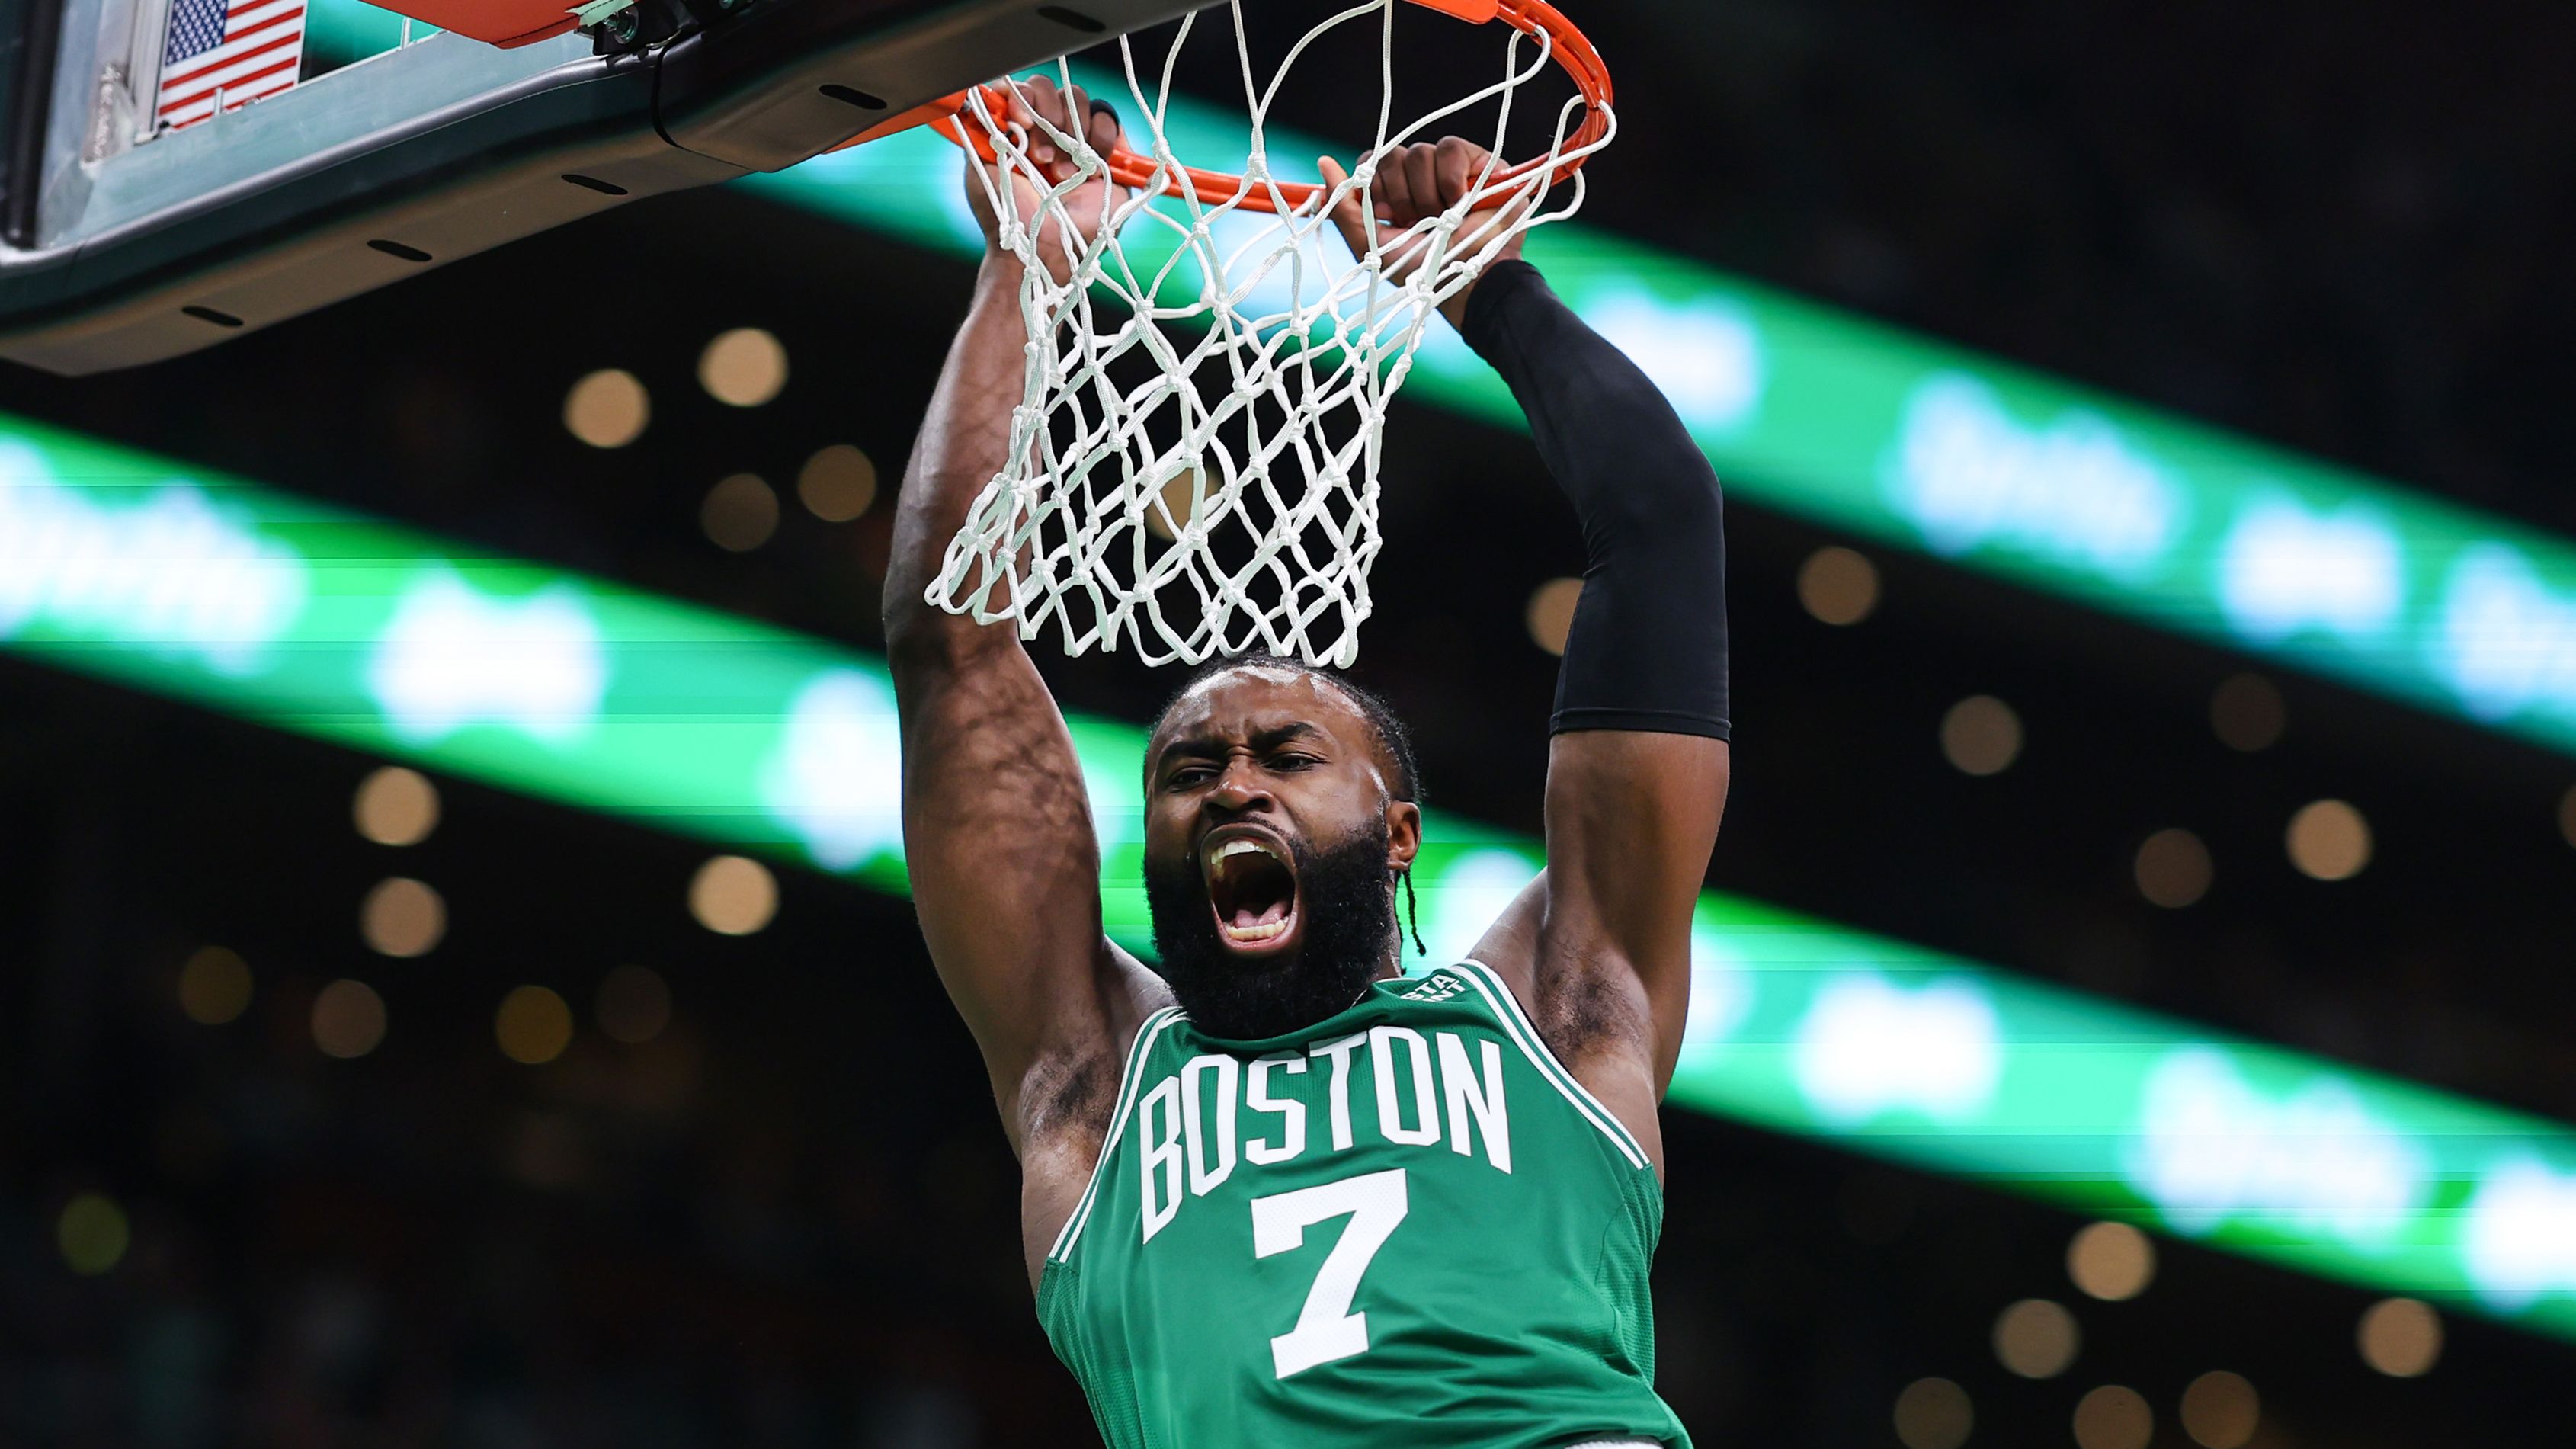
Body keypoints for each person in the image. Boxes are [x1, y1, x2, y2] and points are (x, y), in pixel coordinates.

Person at [883, 77, 1730, 1448]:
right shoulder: (1093, 1085)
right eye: (1187, 768)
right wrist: (1024, 271)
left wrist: (1492, 294)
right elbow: (951, 646)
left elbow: (1662, 526)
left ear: (1398, 832)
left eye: (1287, 753)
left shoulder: (1566, 1015)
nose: (1230, 782)